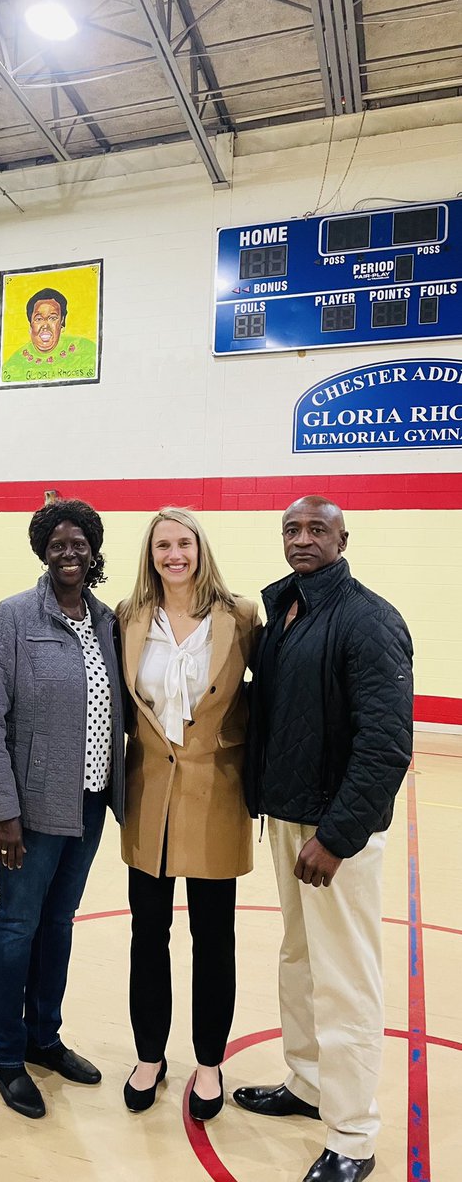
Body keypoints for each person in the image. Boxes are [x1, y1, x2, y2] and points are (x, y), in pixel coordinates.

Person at [235, 496, 413, 1182]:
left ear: (343, 537)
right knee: (300, 961)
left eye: (316, 529)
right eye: (291, 528)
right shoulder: (287, 611)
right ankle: (308, 1085)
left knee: (345, 981)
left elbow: (386, 744)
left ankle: (354, 1136)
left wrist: (336, 836)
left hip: (336, 832)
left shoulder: (370, 621)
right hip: (288, 818)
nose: (302, 538)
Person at [0, 499, 126, 1119]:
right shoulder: (12, 617)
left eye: (79, 543)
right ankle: (5, 1054)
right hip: (28, 811)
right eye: (57, 543)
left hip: (88, 803)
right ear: (43, 550)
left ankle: (44, 1037)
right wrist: (2, 812)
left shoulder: (108, 622)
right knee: (17, 924)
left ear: (93, 551)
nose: (69, 552)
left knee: (58, 923)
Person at [116, 507, 260, 1119]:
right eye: (162, 546)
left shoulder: (242, 617)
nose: (174, 554)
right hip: (148, 796)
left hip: (217, 795)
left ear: (201, 548)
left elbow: (277, 696)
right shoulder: (126, 619)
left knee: (214, 936)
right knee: (148, 933)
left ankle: (208, 1062)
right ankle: (150, 1054)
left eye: (184, 543)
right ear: (150, 556)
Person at [2, 288, 98, 384]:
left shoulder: (86, 350)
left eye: (53, 318)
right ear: (30, 324)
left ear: (62, 321)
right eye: (39, 319)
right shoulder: (13, 365)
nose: (45, 326)